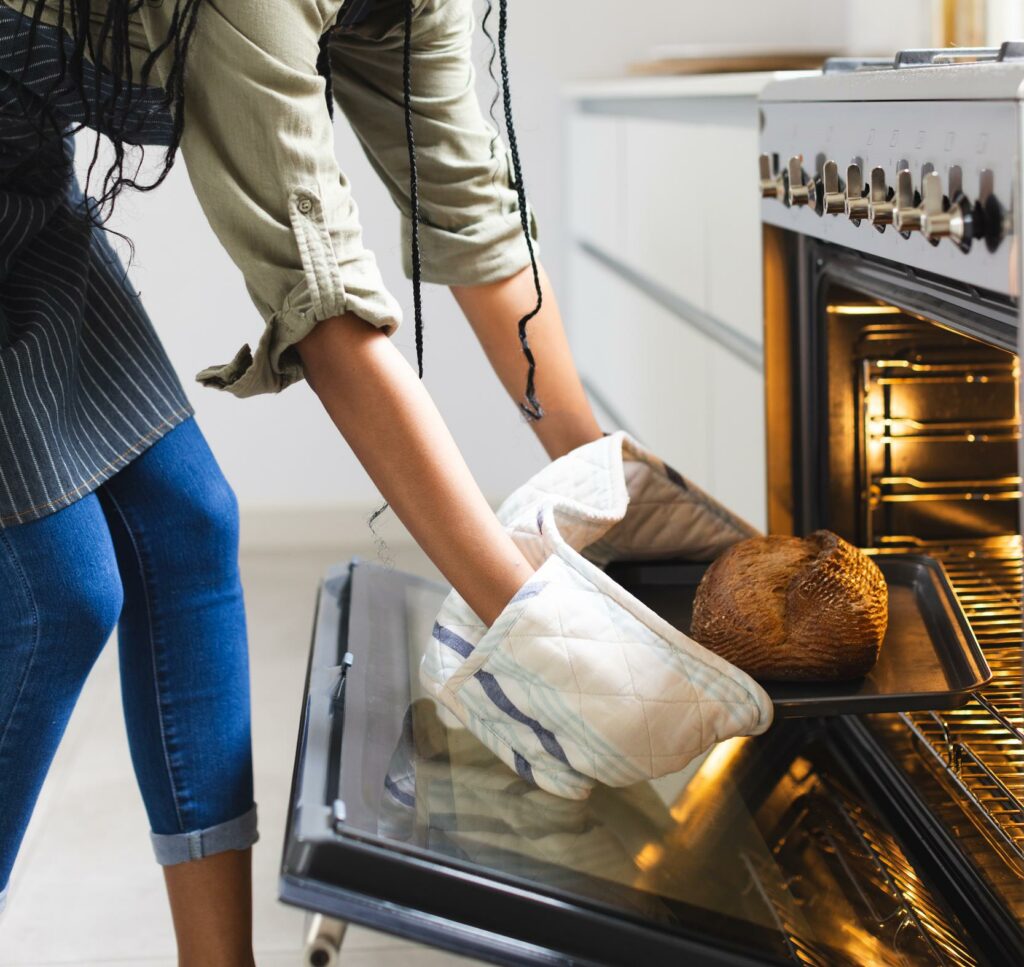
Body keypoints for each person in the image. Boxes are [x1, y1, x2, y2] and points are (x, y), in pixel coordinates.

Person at [1, 2, 772, 964]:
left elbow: (473, 211)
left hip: (19, 167)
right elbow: (323, 309)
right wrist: (539, 630)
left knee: (189, 528)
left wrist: (606, 473)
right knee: (57, 595)